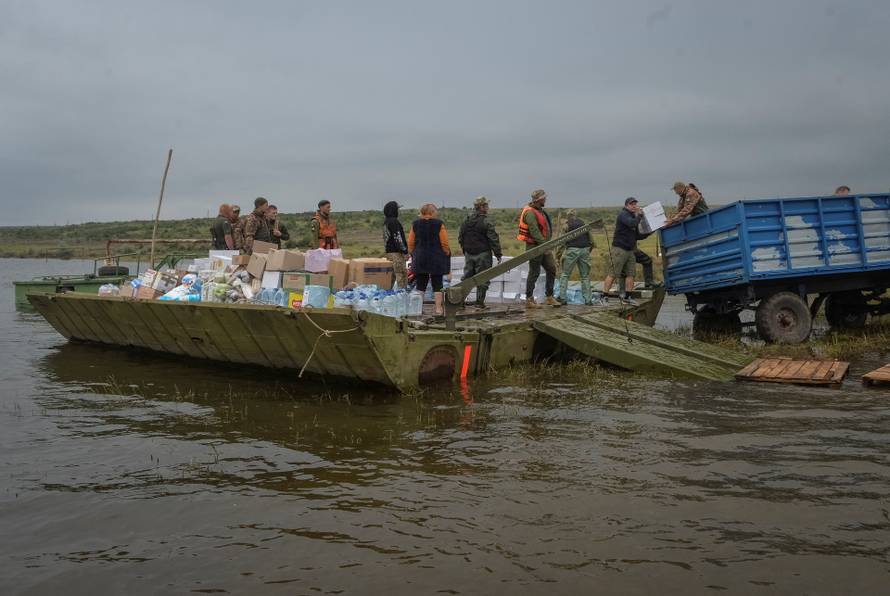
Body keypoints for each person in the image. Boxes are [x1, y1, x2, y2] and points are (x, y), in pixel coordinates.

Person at [458, 196, 502, 308]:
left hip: (469, 254)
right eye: (486, 205)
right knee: (483, 279)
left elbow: (460, 237)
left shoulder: (466, 220)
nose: (488, 207)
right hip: (483, 254)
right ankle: (479, 303)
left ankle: (459, 302)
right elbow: (493, 239)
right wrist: (498, 254)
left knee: (466, 279)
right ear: (482, 207)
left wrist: (465, 250)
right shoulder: (486, 221)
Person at [408, 203, 451, 316]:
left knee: (421, 284)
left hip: (420, 257)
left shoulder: (415, 224)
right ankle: (438, 309)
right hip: (436, 257)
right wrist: (446, 252)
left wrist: (413, 253)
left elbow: (411, 242)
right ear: (432, 212)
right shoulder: (439, 224)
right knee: (438, 284)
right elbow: (444, 242)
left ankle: (418, 309)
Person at [518, 189, 558, 308]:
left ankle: (549, 296)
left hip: (544, 245)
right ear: (539, 199)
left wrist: (546, 245)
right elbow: (535, 232)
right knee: (534, 272)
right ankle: (529, 299)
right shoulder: (530, 213)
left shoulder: (540, 211)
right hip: (534, 246)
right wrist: (546, 246)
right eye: (544, 198)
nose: (545, 199)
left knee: (551, 268)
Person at [603, 197, 644, 306]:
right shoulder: (623, 214)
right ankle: (604, 297)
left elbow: (637, 235)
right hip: (619, 249)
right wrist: (639, 215)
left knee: (631, 274)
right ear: (626, 205)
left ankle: (628, 297)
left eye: (635, 204)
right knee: (613, 273)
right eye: (632, 204)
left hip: (630, 250)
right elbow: (632, 223)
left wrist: (651, 231)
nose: (634, 206)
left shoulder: (632, 216)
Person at [555, 209, 595, 305]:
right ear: (576, 215)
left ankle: (562, 298)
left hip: (572, 250)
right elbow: (592, 240)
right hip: (585, 250)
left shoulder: (566, 226)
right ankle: (588, 300)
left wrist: (558, 256)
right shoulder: (583, 224)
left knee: (565, 275)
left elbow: (561, 242)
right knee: (585, 276)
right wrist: (588, 250)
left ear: (567, 216)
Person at [383, 201, 409, 289]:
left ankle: (388, 293)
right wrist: (404, 251)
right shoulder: (394, 222)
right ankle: (402, 294)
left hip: (389, 253)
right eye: (397, 209)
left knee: (391, 275)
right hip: (396, 253)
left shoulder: (386, 221)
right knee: (401, 274)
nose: (398, 211)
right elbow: (398, 238)